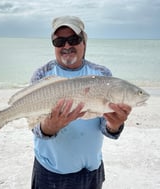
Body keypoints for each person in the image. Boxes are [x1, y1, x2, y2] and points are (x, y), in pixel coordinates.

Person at [30, 16, 132, 189]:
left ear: (84, 42)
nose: (67, 46)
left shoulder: (102, 74)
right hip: (50, 172)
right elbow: (34, 126)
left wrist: (114, 125)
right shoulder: (42, 75)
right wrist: (49, 128)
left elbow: (105, 126)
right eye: (60, 41)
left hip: (92, 171)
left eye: (73, 39)